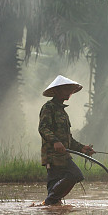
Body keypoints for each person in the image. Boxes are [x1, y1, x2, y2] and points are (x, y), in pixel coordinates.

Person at [38, 75, 95, 205]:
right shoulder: (48, 107)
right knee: (76, 174)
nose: (69, 92)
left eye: (70, 89)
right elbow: (43, 128)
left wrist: (82, 148)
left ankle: (51, 210)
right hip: (52, 156)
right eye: (66, 89)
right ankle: (49, 203)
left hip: (63, 155)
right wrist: (55, 142)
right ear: (57, 91)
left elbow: (68, 139)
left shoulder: (63, 112)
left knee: (54, 191)